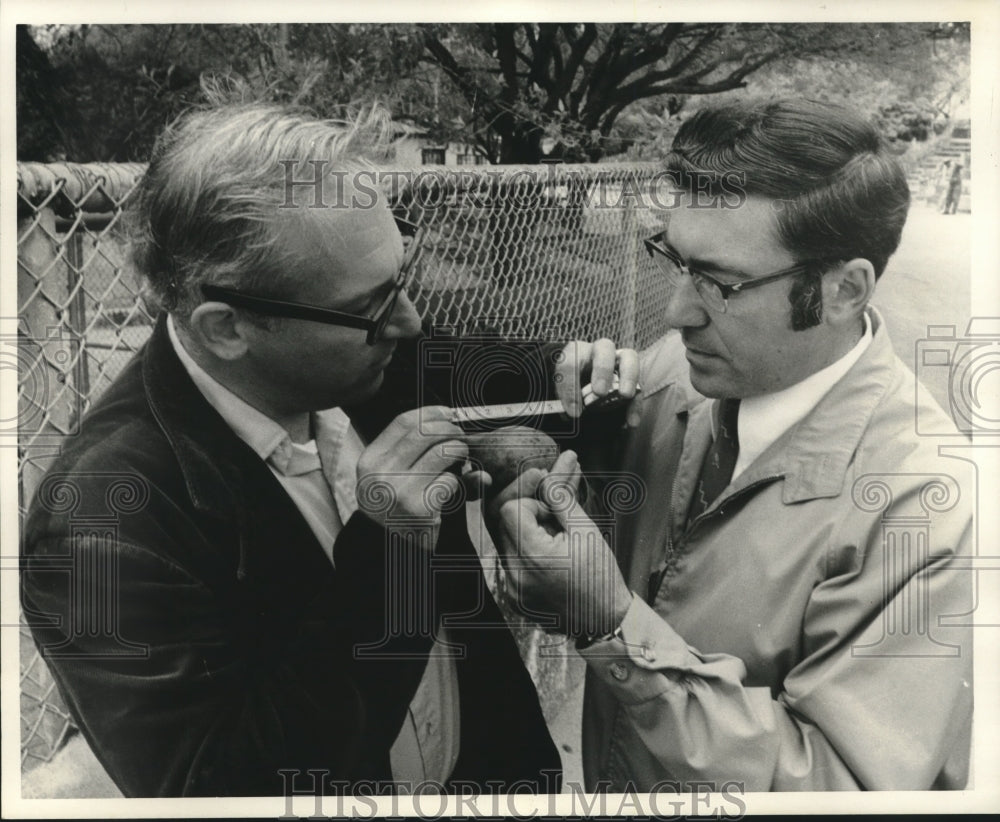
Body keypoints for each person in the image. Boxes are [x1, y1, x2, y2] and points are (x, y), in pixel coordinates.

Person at [19, 102, 563, 797]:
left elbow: (453, 358)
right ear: (227, 329)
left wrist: (571, 371)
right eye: (372, 306)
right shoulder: (107, 523)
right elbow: (220, 789)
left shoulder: (353, 357)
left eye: (402, 270)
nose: (409, 319)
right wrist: (390, 548)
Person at [490, 98, 974, 791]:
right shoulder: (673, 375)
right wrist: (545, 481)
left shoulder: (923, 513)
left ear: (843, 291)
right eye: (674, 260)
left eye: (719, 282)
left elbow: (843, 787)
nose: (676, 312)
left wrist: (612, 624)